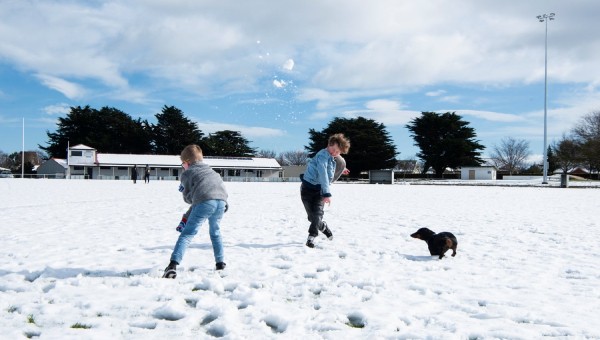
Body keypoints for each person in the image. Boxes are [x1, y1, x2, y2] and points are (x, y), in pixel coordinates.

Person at [163, 144, 229, 279]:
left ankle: (172, 266)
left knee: (187, 234)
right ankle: (220, 263)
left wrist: (185, 192)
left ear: (187, 162)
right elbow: (220, 187)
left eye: (183, 164)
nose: (183, 167)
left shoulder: (188, 173)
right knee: (215, 233)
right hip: (221, 202)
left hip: (205, 202)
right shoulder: (211, 171)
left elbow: (189, 199)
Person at [300, 133, 351, 248]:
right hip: (307, 190)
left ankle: (311, 238)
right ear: (329, 145)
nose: (334, 153)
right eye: (333, 149)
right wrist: (327, 193)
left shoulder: (332, 157)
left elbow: (330, 169)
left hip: (319, 191)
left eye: (338, 152)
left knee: (317, 215)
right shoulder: (323, 156)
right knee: (312, 217)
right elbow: (323, 173)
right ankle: (323, 227)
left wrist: (342, 169)